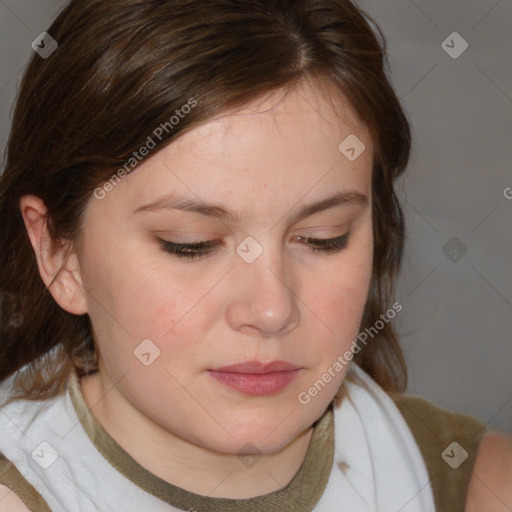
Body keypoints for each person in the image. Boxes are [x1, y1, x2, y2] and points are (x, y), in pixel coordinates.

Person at [0, 0, 510, 511]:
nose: (272, 309)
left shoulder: (456, 478)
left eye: (323, 237)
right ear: (59, 252)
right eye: (190, 245)